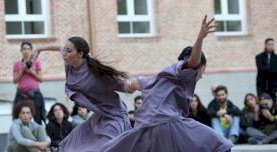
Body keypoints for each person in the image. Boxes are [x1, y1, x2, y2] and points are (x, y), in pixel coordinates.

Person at [98, 15, 233, 152]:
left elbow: (130, 85)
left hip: (147, 129)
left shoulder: (158, 78)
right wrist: (200, 38)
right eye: (203, 69)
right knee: (219, 144)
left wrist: (101, 83)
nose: (203, 73)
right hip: (169, 124)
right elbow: (193, 62)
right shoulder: (181, 69)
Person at [31, 37, 137, 151]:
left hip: (114, 117)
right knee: (76, 144)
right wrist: (40, 49)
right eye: (65, 50)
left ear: (80, 54)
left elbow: (121, 85)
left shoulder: (94, 73)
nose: (64, 54)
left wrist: (133, 85)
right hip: (99, 116)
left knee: (107, 148)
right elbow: (59, 48)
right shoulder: (69, 62)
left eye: (69, 51)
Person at [13, 41, 46, 124]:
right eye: (24, 49)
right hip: (21, 94)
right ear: (21, 51)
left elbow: (41, 79)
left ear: (31, 50)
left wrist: (31, 71)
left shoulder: (36, 63)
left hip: (35, 94)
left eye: (28, 49)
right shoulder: (17, 64)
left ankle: (36, 136)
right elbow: (15, 81)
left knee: (37, 117)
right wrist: (22, 70)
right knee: (19, 117)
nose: (26, 51)